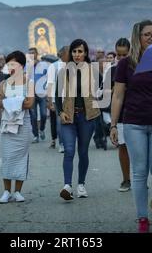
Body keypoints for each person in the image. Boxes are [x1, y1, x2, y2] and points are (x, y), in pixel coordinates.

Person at [110, 20, 152, 233]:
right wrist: (113, 125)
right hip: (133, 123)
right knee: (140, 172)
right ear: (137, 37)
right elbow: (118, 95)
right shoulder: (126, 64)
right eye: (147, 34)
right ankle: (142, 218)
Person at [56, 39, 101, 200]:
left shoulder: (93, 71)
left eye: (80, 51)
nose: (77, 54)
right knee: (69, 150)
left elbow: (103, 89)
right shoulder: (63, 72)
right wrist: (60, 112)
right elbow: (56, 95)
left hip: (87, 117)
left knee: (83, 151)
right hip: (68, 116)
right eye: (74, 51)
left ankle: (81, 184)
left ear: (86, 53)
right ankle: (67, 186)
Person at [0, 51, 35, 203]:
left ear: (22, 66)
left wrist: (8, 102)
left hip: (23, 124)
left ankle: (17, 191)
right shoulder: (4, 84)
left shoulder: (29, 82)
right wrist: (17, 102)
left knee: (21, 157)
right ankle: (6, 191)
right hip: (6, 124)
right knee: (7, 157)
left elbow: (29, 103)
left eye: (14, 64)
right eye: (9, 64)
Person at [105, 38, 131, 192]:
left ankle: (140, 179)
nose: (121, 58)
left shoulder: (136, 68)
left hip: (136, 113)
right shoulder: (112, 71)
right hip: (120, 115)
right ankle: (126, 179)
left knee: (139, 151)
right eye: (118, 55)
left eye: (124, 55)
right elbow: (106, 93)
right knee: (123, 147)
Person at [47, 46, 70, 152]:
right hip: (58, 99)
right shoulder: (54, 66)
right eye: (69, 52)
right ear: (62, 54)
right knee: (60, 121)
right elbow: (50, 84)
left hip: (71, 98)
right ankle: (61, 143)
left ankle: (69, 141)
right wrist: (50, 101)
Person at [28, 47, 49, 143]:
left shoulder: (44, 65)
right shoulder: (27, 66)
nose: (32, 55)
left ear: (37, 54)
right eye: (30, 53)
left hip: (42, 94)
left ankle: (42, 129)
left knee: (44, 114)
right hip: (31, 94)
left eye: (33, 53)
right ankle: (35, 135)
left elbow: (49, 78)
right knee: (33, 116)